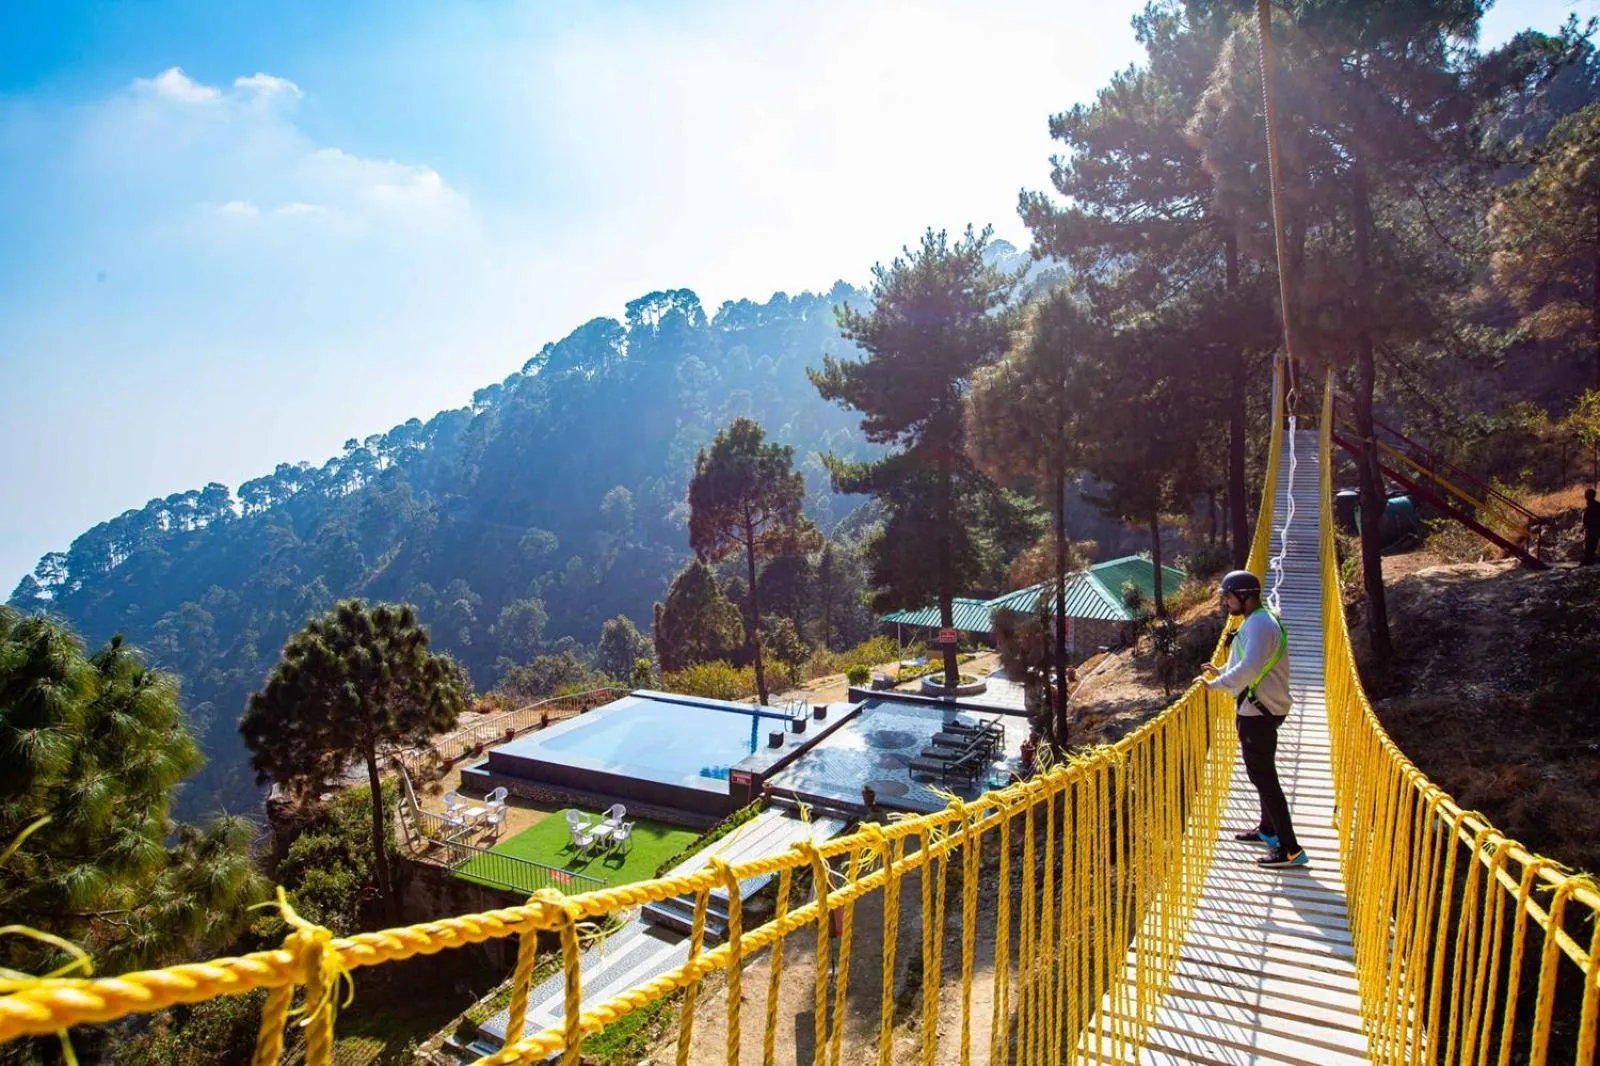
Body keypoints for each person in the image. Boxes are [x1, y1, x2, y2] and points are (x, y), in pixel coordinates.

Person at [1197, 570, 1307, 869]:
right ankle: (1268, 830)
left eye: (1229, 597)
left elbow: (1249, 668)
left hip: (1258, 711)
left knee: (1264, 777)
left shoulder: (1257, 625)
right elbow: (1251, 665)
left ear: (1244, 596)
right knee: (1261, 773)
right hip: (1260, 706)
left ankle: (1290, 848)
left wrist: (1215, 685)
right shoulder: (1259, 620)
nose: (1225, 603)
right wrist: (1222, 672)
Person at [1584, 488, 1599, 566]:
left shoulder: (1594, 505)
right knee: (1590, 546)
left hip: (1594, 529)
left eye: (1587, 494)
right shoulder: (1592, 504)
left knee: (1590, 546)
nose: (1585, 495)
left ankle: (1589, 562)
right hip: (1592, 529)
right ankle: (1589, 561)